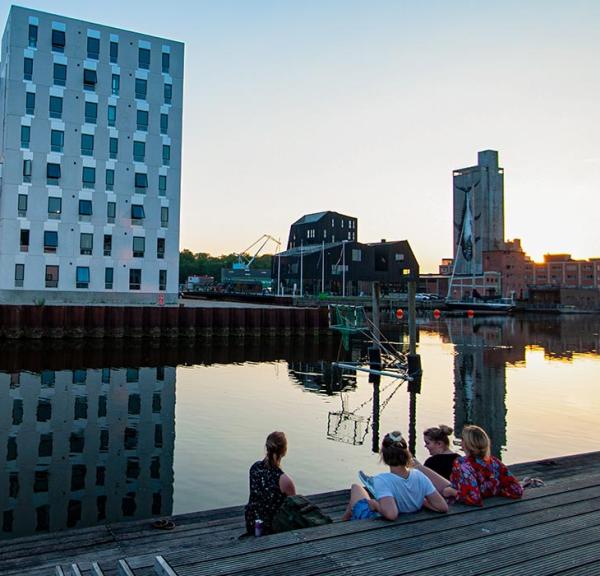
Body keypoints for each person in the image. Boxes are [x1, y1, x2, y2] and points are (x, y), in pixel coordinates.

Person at [342, 431, 448, 522]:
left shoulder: (382, 480)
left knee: (356, 488)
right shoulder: (419, 476)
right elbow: (442, 507)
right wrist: (422, 502)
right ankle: (345, 520)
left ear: (383, 455)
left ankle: (343, 522)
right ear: (406, 454)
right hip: (410, 518)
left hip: (378, 521)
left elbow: (391, 514)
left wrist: (375, 504)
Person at [450, 425, 523, 507]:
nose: (461, 442)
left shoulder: (462, 465)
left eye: (462, 439)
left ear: (466, 444)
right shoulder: (494, 462)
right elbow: (517, 490)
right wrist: (496, 490)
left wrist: (451, 492)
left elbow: (473, 498)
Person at [245, 431, 296, 535]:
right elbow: (294, 508)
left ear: (266, 447)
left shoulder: (255, 467)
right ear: (284, 451)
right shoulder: (285, 481)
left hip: (251, 523)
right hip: (271, 529)